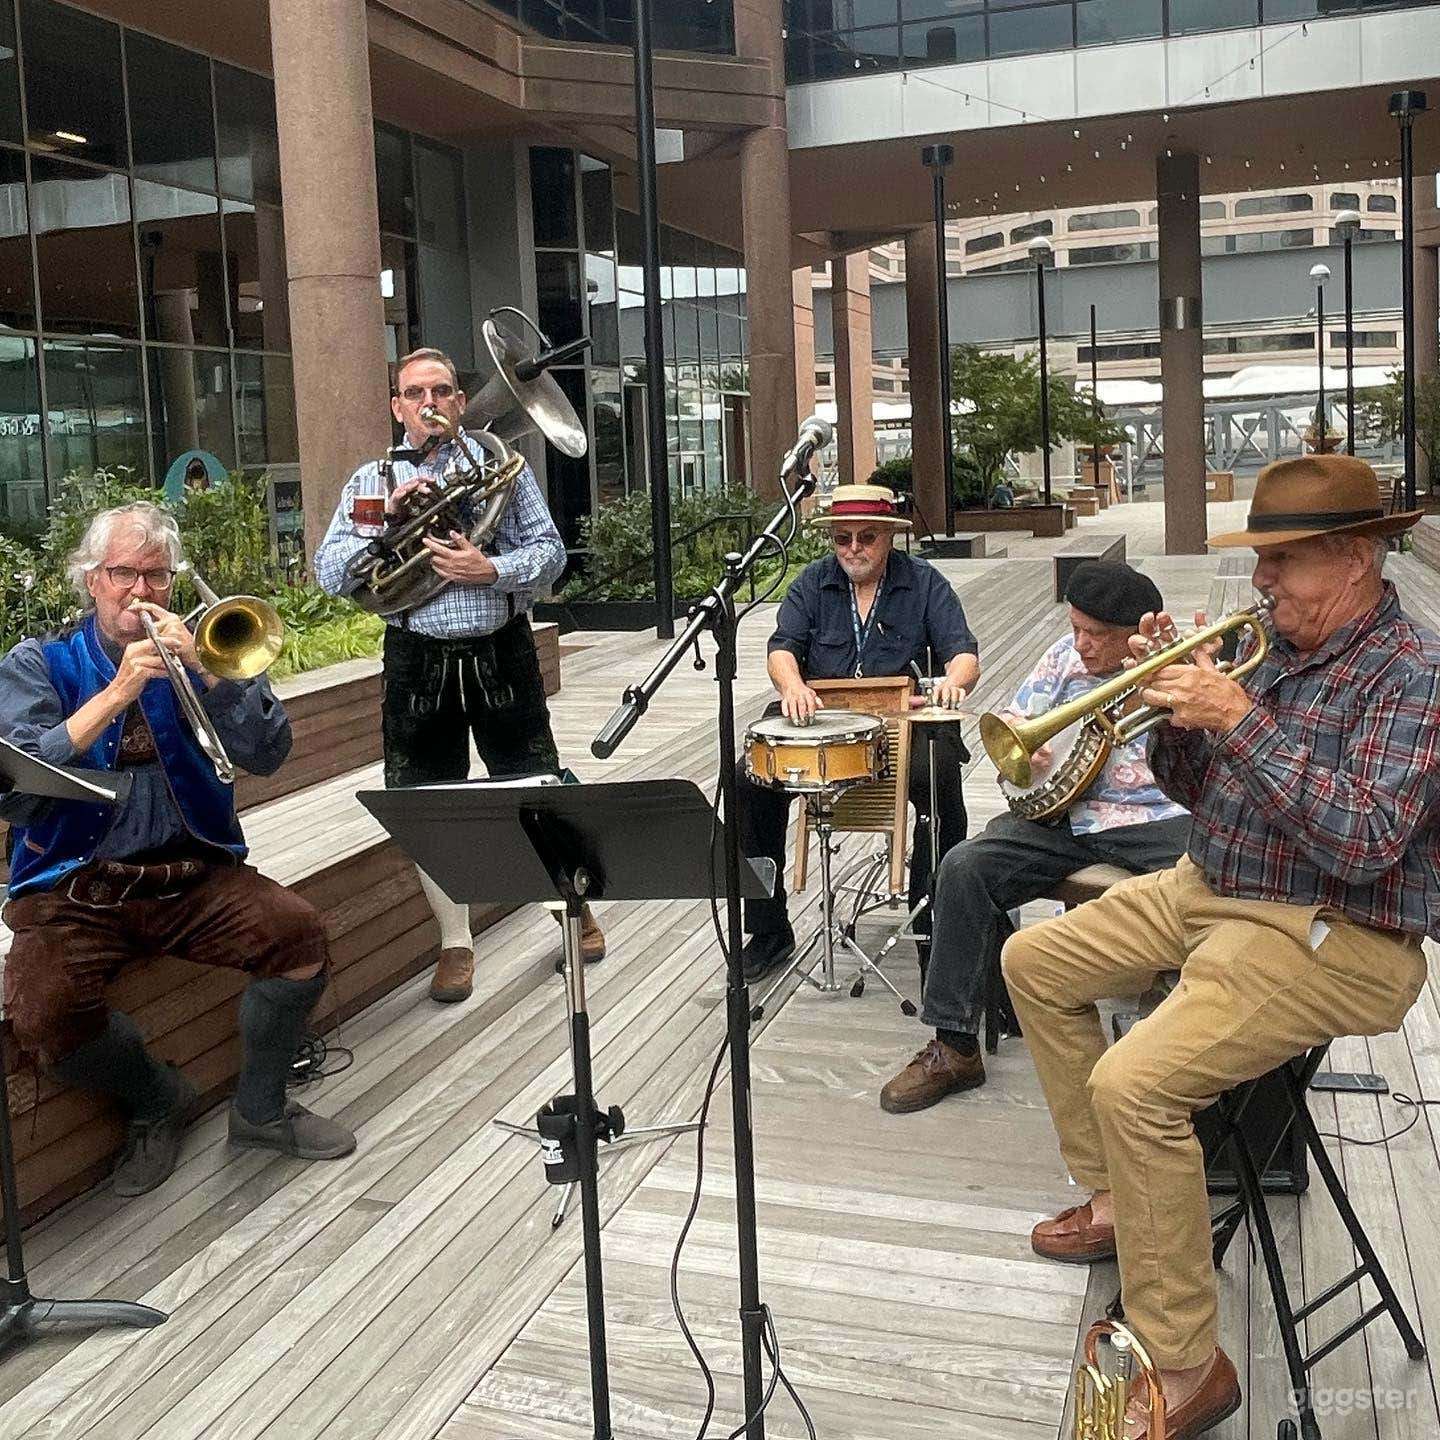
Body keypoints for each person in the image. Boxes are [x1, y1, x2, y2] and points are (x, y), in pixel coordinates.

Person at [1003, 455, 1436, 1440]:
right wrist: (1173, 707)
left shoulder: (1413, 674)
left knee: (1135, 1084)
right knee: (1035, 962)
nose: (1261, 585)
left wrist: (1238, 718)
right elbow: (1204, 788)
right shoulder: (1274, 650)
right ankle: (1119, 1196)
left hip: (1337, 931)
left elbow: (1365, 840)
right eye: (1263, 563)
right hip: (1215, 887)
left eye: (1283, 562)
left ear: (1357, 555)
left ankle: (1186, 1360)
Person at [0, 502, 356, 1198]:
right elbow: (13, 785)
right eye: (122, 573)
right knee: (42, 1012)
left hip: (192, 876)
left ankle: (260, 1110)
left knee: (300, 936)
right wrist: (118, 691)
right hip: (77, 888)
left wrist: (214, 677)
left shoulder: (207, 654)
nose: (141, 592)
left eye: (156, 576)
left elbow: (270, 751)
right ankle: (156, 1096)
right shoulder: (38, 663)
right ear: (92, 580)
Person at [315, 346, 604, 1005]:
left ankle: (570, 911)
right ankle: (455, 943)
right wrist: (388, 521)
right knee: (423, 802)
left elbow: (551, 554)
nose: (429, 403)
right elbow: (331, 574)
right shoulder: (371, 483)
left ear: (457, 399)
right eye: (415, 393)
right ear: (398, 407)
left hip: (499, 645)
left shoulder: (501, 467)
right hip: (417, 655)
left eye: (442, 391)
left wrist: (491, 569)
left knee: (534, 788)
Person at [879, 561, 1191, 1113]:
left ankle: (1180, 1033)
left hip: (1154, 819)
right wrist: (1027, 761)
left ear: (1138, 632)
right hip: (1065, 816)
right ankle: (954, 1045)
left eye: (1097, 635)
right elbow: (1013, 738)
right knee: (963, 866)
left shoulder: (1174, 666)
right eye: (1076, 628)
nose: (1082, 645)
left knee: (1216, 874)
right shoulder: (1062, 659)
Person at [738, 483, 980, 982]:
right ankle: (768, 929)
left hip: (904, 725)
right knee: (745, 783)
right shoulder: (812, 583)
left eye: (866, 537)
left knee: (939, 782)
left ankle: (930, 924)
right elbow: (782, 648)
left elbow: (964, 654)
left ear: (889, 537)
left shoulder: (926, 584)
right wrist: (792, 685)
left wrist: (951, 685)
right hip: (821, 725)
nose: (852, 548)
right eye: (842, 538)